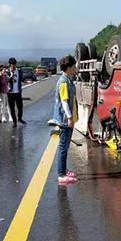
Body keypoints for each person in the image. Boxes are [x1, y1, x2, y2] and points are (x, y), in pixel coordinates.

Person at [53, 55, 78, 185]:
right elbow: (64, 101)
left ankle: (63, 169)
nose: (75, 68)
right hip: (65, 119)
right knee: (63, 147)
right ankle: (61, 175)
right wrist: (69, 118)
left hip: (67, 119)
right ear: (68, 67)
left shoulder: (68, 79)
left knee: (66, 146)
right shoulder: (63, 82)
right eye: (74, 66)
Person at [7, 58, 27, 127]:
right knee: (12, 108)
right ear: (10, 65)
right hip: (10, 93)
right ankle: (14, 122)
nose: (14, 66)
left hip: (18, 92)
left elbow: (22, 78)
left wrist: (26, 81)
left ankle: (20, 118)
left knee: (20, 107)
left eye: (15, 64)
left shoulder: (19, 71)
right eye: (12, 65)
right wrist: (11, 75)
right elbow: (6, 81)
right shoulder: (7, 72)